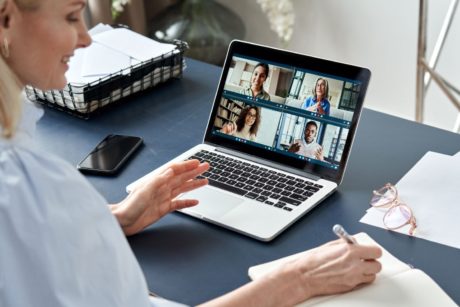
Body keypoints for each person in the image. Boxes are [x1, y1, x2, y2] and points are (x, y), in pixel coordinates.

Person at [0, 1, 382, 306]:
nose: (85, 39)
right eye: (70, 16)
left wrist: (117, 218)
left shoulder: (20, 154)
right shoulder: (24, 182)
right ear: (6, 20)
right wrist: (298, 281)